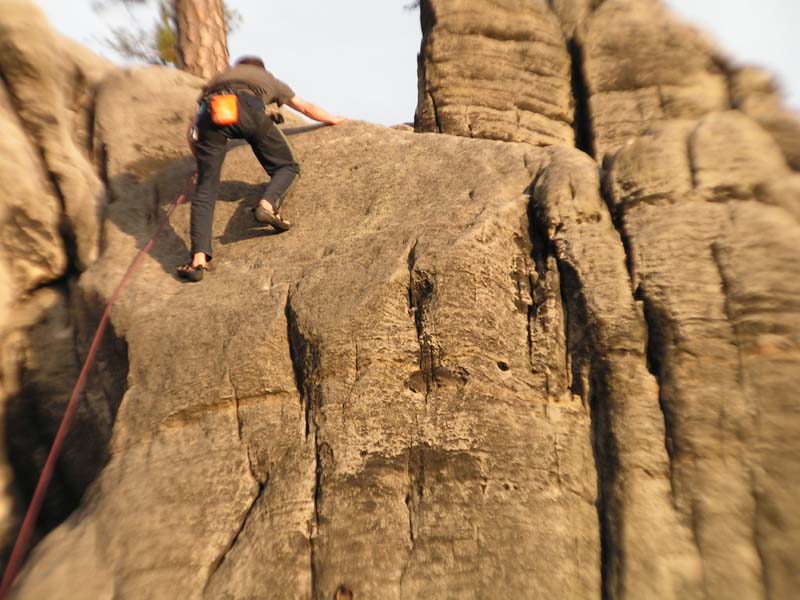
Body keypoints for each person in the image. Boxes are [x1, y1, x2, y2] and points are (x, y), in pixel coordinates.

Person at [179, 55, 345, 281]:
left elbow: (193, 128)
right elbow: (304, 107)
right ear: (261, 69)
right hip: (247, 110)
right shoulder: (269, 79)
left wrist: (200, 160)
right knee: (287, 166)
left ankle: (198, 261)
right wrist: (332, 119)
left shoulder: (217, 80)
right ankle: (267, 205)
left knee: (205, 189)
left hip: (213, 113)